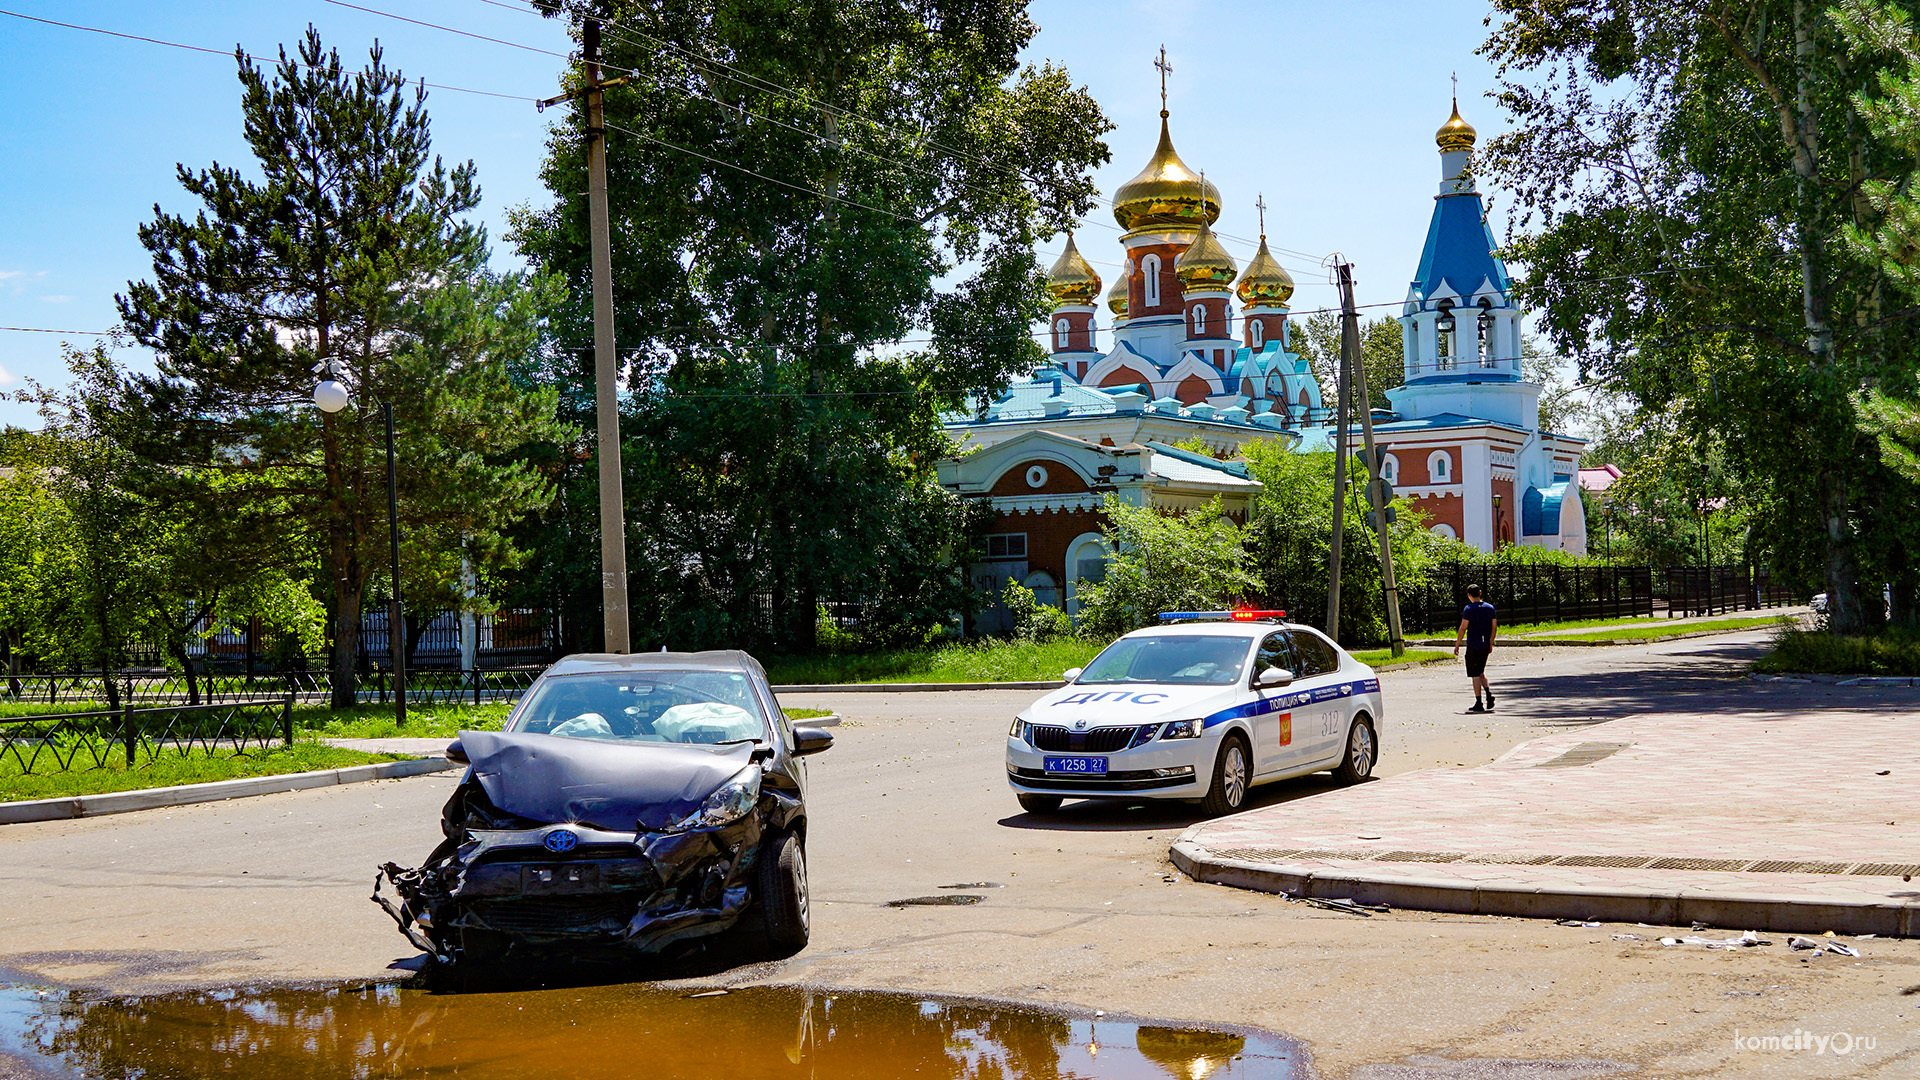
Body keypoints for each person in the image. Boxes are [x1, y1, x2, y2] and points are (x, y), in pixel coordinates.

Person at [1452, 584, 1498, 712]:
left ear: (1469, 595)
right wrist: (1491, 642)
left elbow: (1463, 628)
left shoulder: (1469, 609)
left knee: (1475, 674)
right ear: (1480, 593)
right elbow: (1494, 627)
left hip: (1473, 645)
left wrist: (1457, 644)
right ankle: (1488, 694)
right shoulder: (1490, 608)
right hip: (1485, 644)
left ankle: (1479, 702)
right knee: (1481, 671)